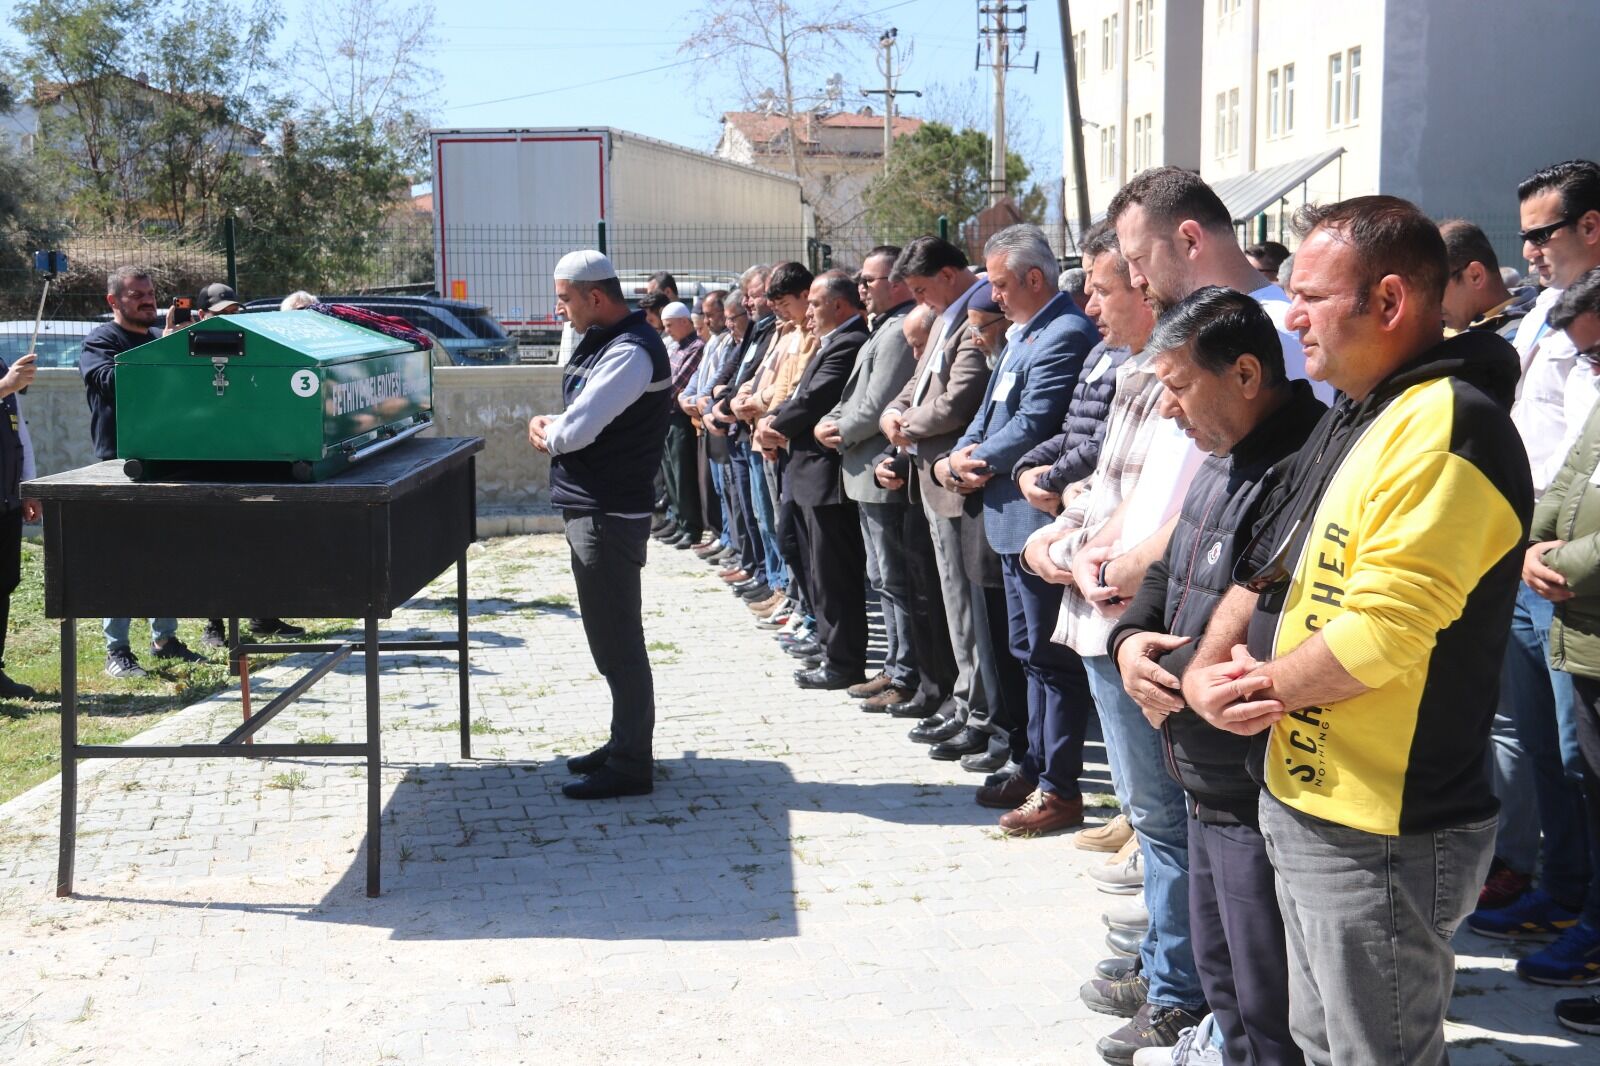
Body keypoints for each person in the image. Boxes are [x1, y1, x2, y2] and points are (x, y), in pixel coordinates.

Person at [1184, 196, 1532, 1065]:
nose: (1287, 312)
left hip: (1386, 824)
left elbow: (1386, 629)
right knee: (1322, 1040)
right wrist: (1206, 666)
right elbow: (1269, 559)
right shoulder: (1358, 409)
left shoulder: (1453, 424)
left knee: (1377, 1053)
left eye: (1309, 294)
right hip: (1307, 795)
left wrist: (1254, 691)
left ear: (1388, 304)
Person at [1109, 287, 1326, 1066]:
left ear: (1243, 373)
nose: (1168, 410)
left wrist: (1155, 658)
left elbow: (1257, 618)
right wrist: (1129, 645)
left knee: (1270, 1010)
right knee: (1225, 988)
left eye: (1176, 386)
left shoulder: (1307, 463)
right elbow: (1165, 582)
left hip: (1254, 784)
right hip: (1203, 782)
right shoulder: (1220, 458)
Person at [1469, 161, 1600, 953]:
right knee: (1544, 745)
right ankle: (1559, 889)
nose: (1532, 251)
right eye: (1524, 237)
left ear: (1592, 226)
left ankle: (1579, 904)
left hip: (1571, 566)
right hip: (1526, 550)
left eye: (1543, 234)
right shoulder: (1546, 309)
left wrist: (1555, 547)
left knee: (1581, 753)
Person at [936, 223, 1099, 838]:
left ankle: (1059, 786)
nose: (993, 297)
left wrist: (968, 464)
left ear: (1035, 279)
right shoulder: (1027, 333)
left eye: (1002, 284)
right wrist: (957, 457)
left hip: (1037, 520)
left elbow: (1035, 424)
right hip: (1006, 516)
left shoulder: (1065, 333)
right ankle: (1033, 765)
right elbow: (987, 412)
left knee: (1049, 659)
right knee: (1027, 654)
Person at [528, 250, 672, 801]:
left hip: (608, 512)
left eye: (566, 299)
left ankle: (632, 763)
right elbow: (575, 410)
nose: (559, 308)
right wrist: (554, 423)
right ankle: (622, 742)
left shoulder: (631, 351)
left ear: (595, 297)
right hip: (597, 507)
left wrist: (547, 429)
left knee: (618, 639)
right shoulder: (606, 340)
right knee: (607, 636)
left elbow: (576, 431)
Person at [881, 240, 1011, 766]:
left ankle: (978, 709)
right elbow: (916, 384)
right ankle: (965, 701)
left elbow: (959, 399)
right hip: (929, 475)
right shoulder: (943, 317)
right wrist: (894, 413)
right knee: (951, 602)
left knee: (965, 604)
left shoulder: (980, 313)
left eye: (922, 288)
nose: (920, 299)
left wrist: (904, 424)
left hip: (955, 481)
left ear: (951, 274)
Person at [1524, 266, 1600, 1034]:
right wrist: (1535, 546)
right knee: (1583, 776)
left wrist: (1560, 566)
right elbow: (1570, 475)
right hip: (1585, 627)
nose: (1593, 373)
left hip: (1588, 606)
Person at [1109, 166, 1334, 404]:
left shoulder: (1277, 335)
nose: (1135, 279)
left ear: (1190, 240)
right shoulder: (1223, 327)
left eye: (1138, 258)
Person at [80, 267, 204, 678]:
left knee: (167, 554)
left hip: (167, 460)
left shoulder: (157, 340)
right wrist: (163, 353)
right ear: (113, 301)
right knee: (123, 557)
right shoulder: (102, 342)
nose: (149, 301)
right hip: (121, 464)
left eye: (151, 294)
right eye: (138, 295)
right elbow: (108, 382)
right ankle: (117, 650)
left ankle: (165, 639)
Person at [814, 247, 923, 706]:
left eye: (870, 280)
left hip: (881, 468)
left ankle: (905, 673)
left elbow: (878, 404)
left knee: (894, 577)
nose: (861, 288)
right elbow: (852, 395)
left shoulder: (899, 330)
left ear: (898, 282)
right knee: (880, 575)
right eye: (860, 280)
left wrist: (837, 429)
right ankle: (893, 666)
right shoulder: (882, 328)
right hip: (862, 468)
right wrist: (830, 420)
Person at [763, 271, 870, 689]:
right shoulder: (831, 342)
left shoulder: (849, 342)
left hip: (826, 478)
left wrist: (775, 426)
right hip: (805, 473)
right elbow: (796, 395)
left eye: (815, 303)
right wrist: (773, 420)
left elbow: (816, 397)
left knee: (834, 577)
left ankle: (843, 662)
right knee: (810, 564)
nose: (807, 311)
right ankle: (830, 650)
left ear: (839, 306)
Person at [0, 344, 40, 698]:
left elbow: (18, 428)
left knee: (4, 582)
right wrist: (5, 385)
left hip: (7, 497)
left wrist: (28, 485)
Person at [657, 301, 705, 549]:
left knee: (682, 473)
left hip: (680, 418)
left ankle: (691, 526)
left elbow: (677, 383)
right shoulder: (675, 347)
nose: (667, 331)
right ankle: (677, 519)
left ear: (685, 322)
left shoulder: (696, 348)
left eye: (669, 326)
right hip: (666, 415)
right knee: (671, 474)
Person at [1438, 219, 1536, 337]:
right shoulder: (1449, 327)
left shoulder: (1521, 336)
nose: (1432, 303)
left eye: (1437, 287)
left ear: (1476, 275)